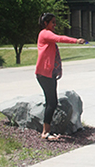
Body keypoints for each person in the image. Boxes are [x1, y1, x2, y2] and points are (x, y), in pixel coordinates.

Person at [35, 13, 85, 141]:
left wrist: (58, 70)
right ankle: (45, 132)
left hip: (49, 74)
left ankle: (47, 130)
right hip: (43, 74)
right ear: (46, 23)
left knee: (52, 102)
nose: (55, 24)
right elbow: (60, 38)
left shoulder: (48, 36)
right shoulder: (45, 33)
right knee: (51, 102)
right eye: (52, 22)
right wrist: (76, 40)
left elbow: (54, 54)